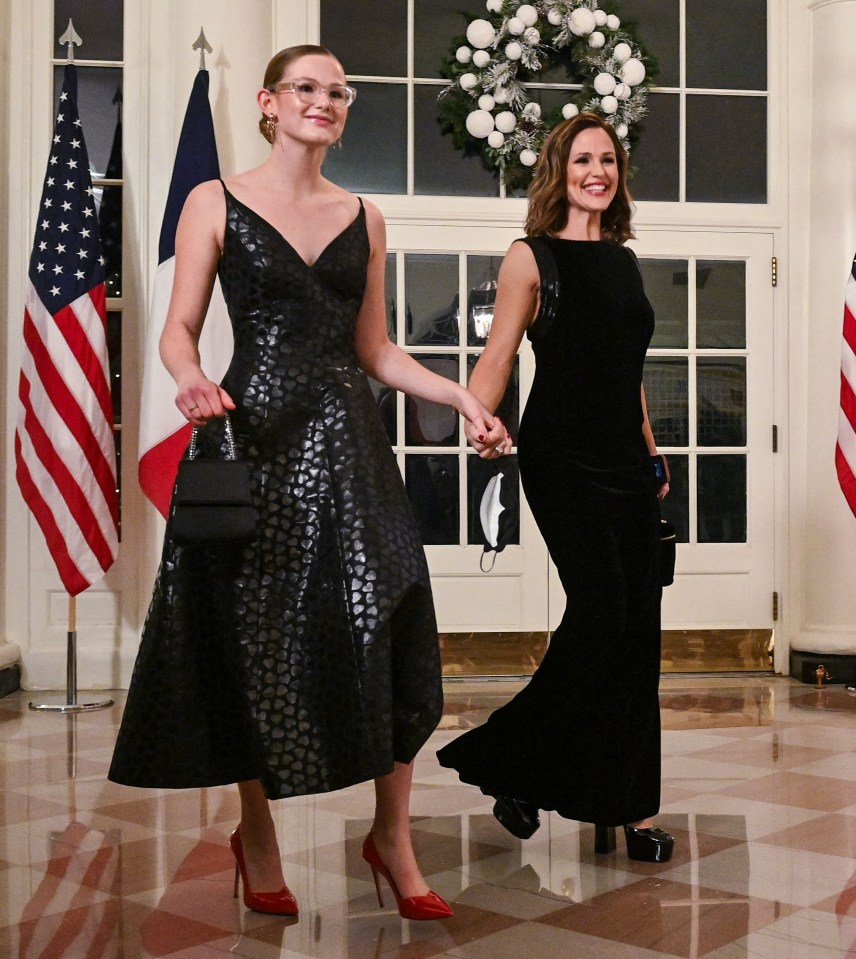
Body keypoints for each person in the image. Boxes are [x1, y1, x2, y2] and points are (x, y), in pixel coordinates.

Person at [109, 44, 497, 919]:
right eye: (308, 89)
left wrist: (463, 396)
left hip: (350, 442)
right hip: (251, 439)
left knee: (392, 605)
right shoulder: (216, 200)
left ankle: (390, 836)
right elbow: (178, 329)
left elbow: (376, 350)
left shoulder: (366, 214)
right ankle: (258, 833)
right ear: (270, 103)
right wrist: (187, 378)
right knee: (250, 632)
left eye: (339, 92)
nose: (326, 101)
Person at [437, 113, 675, 864]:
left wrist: (650, 447)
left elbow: (629, 371)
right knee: (604, 611)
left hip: (628, 462)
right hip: (564, 459)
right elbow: (499, 354)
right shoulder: (528, 257)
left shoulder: (624, 260)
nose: (596, 171)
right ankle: (512, 759)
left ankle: (629, 805)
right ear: (559, 170)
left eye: (607, 160)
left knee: (638, 629)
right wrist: (479, 414)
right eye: (582, 160)